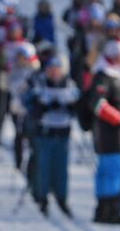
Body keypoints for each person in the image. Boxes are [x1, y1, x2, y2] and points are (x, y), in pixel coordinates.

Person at [81, 40, 120, 225]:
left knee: (109, 171)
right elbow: (96, 102)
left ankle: (104, 209)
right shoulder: (104, 76)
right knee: (114, 171)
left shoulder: (116, 76)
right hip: (111, 134)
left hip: (118, 134)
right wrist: (117, 117)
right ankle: (110, 210)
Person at [22, 52, 79, 217]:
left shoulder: (69, 84)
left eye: (57, 69)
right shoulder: (39, 84)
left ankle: (62, 197)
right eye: (51, 69)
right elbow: (28, 104)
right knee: (43, 167)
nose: (54, 72)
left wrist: (70, 108)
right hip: (44, 133)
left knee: (61, 168)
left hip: (62, 132)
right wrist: (43, 108)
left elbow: (78, 104)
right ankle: (42, 197)